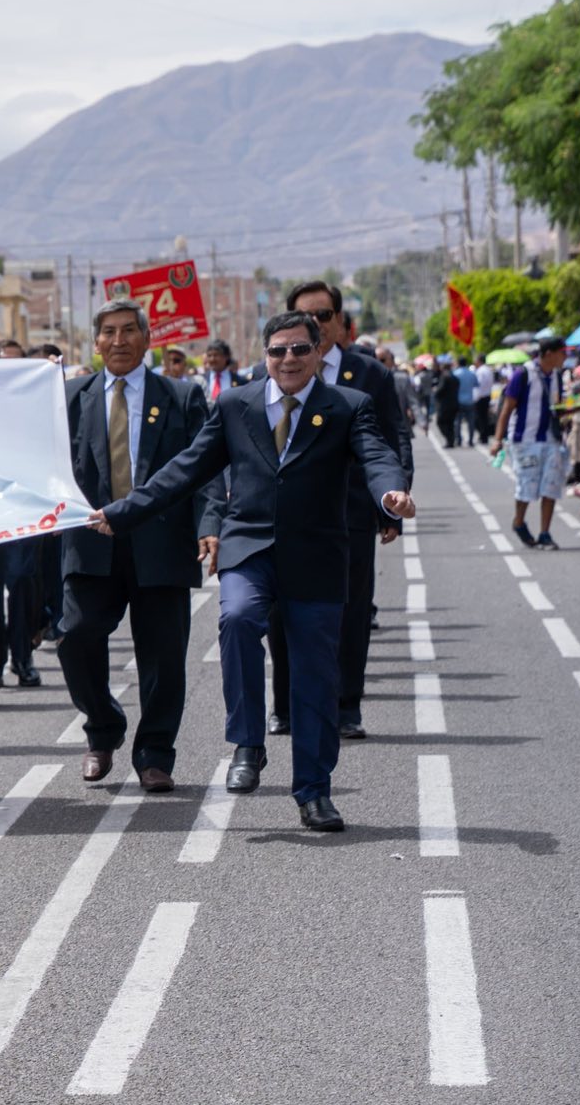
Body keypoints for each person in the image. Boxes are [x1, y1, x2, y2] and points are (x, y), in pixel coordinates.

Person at [86, 311, 414, 832]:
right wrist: (122, 513)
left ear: (316, 352)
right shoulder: (235, 404)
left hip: (317, 556)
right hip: (250, 546)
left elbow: (377, 457)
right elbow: (186, 469)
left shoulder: (350, 406)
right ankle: (248, 743)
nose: (289, 359)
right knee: (237, 618)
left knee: (313, 677)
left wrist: (391, 496)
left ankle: (314, 792)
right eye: (279, 350)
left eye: (300, 350)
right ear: (265, 355)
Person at [59, 299, 217, 793]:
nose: (120, 340)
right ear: (96, 342)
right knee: (76, 636)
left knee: (163, 657)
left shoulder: (182, 396)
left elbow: (208, 468)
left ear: (148, 339)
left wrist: (210, 522)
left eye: (130, 330)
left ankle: (154, 754)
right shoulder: (69, 397)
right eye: (109, 332)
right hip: (90, 545)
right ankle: (102, 726)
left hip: (162, 544)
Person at [268, 281, 412, 742]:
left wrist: (390, 502)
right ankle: (284, 704)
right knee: (279, 613)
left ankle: (347, 704)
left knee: (349, 614)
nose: (314, 326)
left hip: (350, 514)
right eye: (304, 317)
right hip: (283, 519)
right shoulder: (268, 372)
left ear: (339, 321)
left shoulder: (369, 375)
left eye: (323, 317)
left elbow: (392, 443)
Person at [491, 338, 571, 550]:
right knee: (527, 486)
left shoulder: (556, 376)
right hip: (525, 440)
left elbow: (557, 406)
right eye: (562, 352)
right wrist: (498, 439)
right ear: (548, 353)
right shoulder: (523, 374)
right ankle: (519, 521)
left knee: (551, 486)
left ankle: (545, 533)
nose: (566, 357)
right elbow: (507, 408)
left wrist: (572, 409)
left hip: (551, 439)